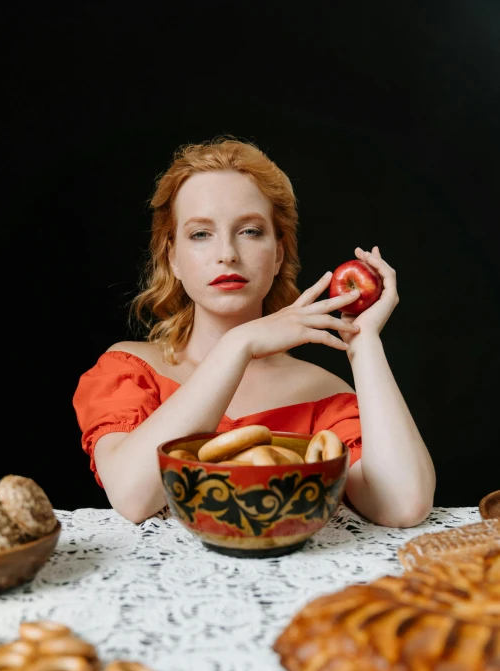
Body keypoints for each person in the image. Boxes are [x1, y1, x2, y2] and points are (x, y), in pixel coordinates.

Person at [73, 137, 435, 526]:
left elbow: (403, 504)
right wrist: (238, 345)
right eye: (200, 234)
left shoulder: (324, 397)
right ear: (172, 257)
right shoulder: (128, 371)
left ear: (279, 253)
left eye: (249, 231)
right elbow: (132, 496)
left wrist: (364, 343)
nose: (226, 252)